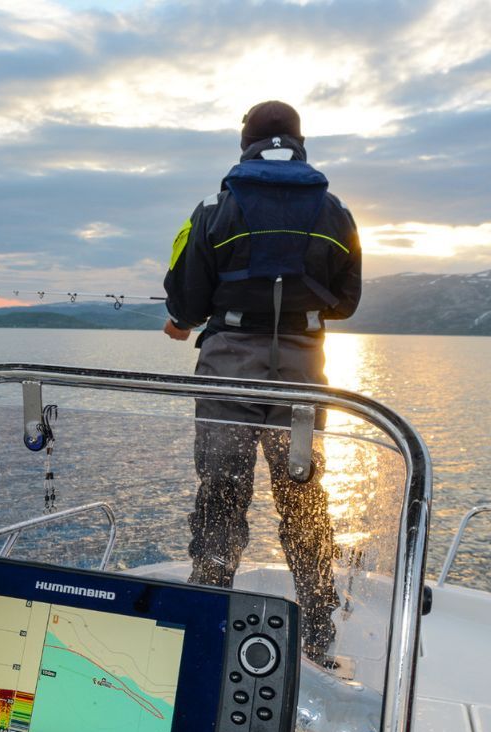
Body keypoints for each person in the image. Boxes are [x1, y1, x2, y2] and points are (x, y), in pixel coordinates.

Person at [162, 100, 361, 662]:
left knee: (222, 493)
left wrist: (181, 322)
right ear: (300, 142)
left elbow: (186, 297)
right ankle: (318, 631)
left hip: (229, 367)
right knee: (302, 498)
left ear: (244, 143)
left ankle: (207, 620)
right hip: (302, 371)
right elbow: (347, 302)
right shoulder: (336, 213)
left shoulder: (211, 210)